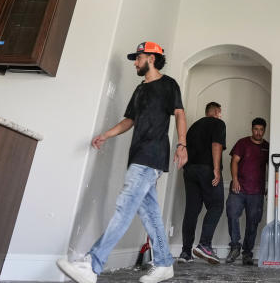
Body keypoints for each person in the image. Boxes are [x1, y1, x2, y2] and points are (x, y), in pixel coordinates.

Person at [57, 41, 187, 283]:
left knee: (125, 205)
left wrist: (182, 143)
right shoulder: (139, 90)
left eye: (138, 58)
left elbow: (179, 113)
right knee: (149, 213)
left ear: (151, 58)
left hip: (152, 154)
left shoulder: (169, 85)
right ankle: (164, 263)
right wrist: (106, 134)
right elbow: (130, 120)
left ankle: (92, 264)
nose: (135, 63)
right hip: (137, 155)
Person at [178, 101, 226, 264]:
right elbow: (216, 144)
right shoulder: (218, 123)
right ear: (217, 111)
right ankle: (204, 244)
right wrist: (217, 169)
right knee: (217, 205)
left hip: (189, 170)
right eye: (220, 112)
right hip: (206, 169)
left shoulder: (193, 126)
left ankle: (185, 253)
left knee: (192, 210)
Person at [224, 117, 270, 265]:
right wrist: (235, 180)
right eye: (256, 129)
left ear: (264, 130)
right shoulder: (242, 143)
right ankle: (235, 246)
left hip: (257, 191)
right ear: (252, 129)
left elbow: (271, 166)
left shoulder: (267, 146)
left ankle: (247, 253)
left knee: (253, 222)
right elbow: (234, 161)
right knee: (232, 214)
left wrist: (269, 185)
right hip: (239, 188)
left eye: (261, 130)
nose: (258, 132)